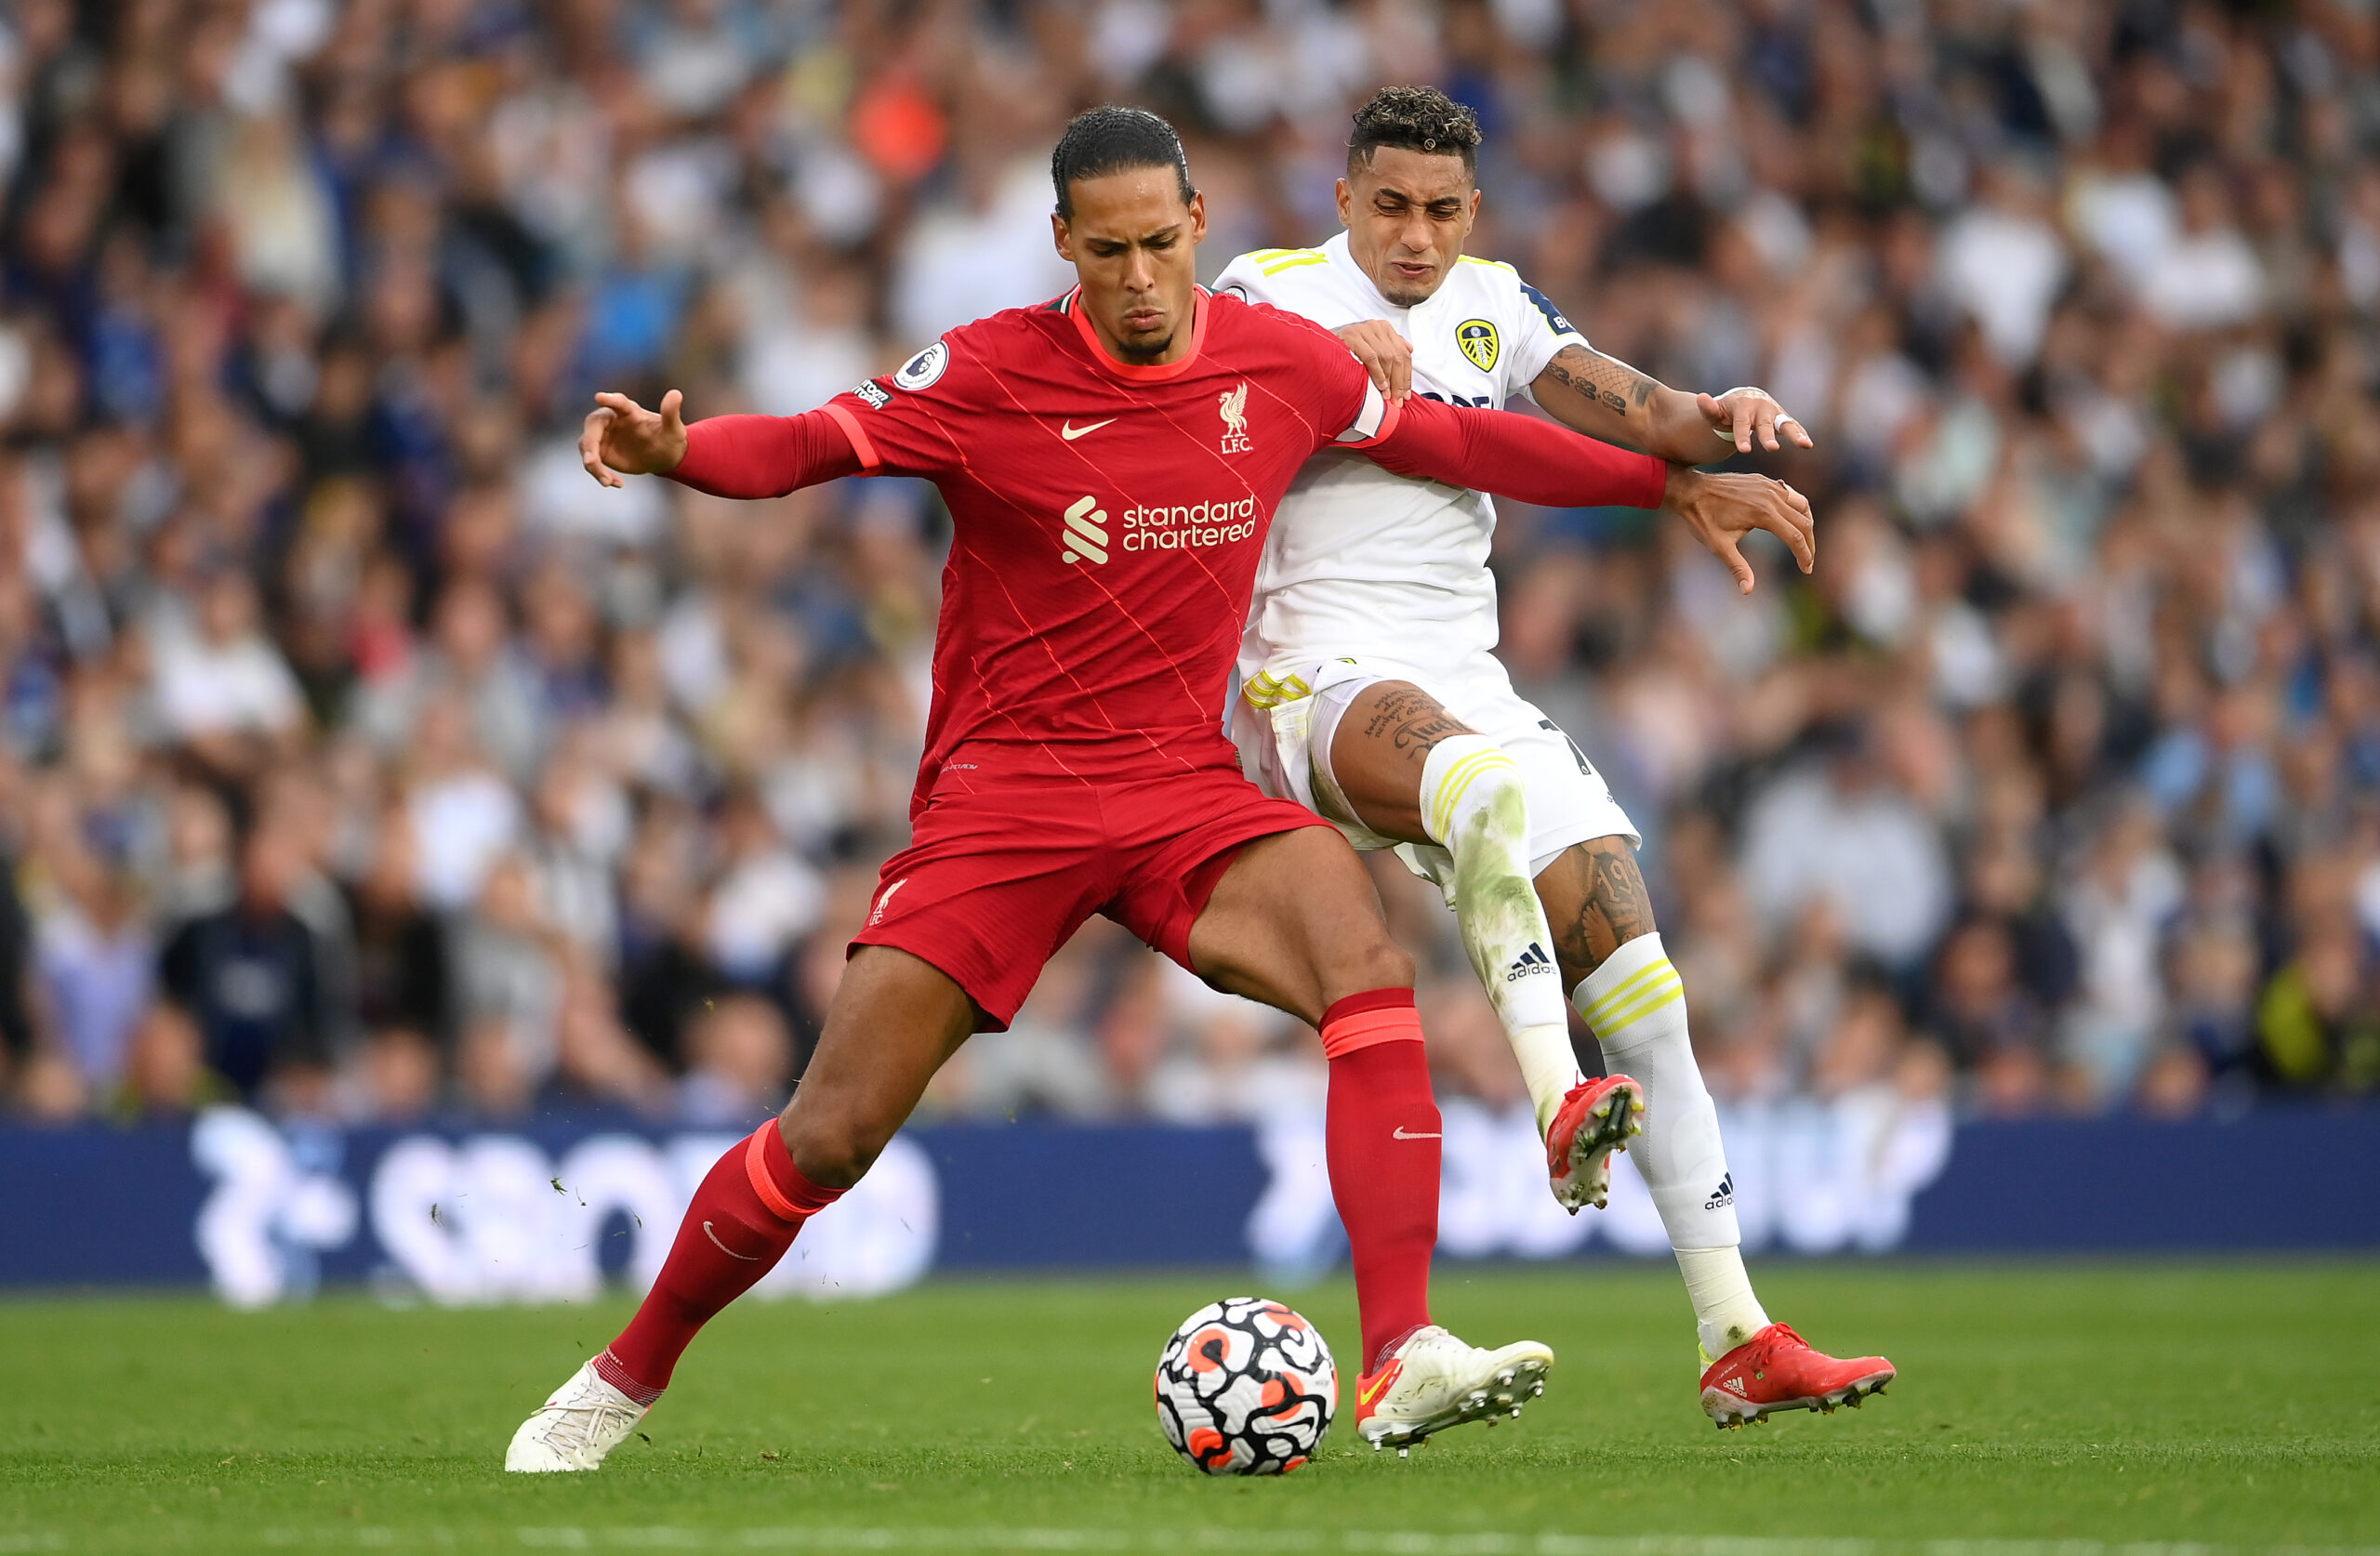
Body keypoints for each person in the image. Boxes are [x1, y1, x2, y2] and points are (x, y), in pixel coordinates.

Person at [504, 105, 1782, 1471]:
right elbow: (814, 443)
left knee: (1359, 956)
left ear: (1198, 228)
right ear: (1062, 242)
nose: (1139, 278)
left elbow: (1460, 448)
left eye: (1160, 244)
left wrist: (1666, 485)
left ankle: (1402, 1350)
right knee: (829, 1135)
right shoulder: (988, 370)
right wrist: (680, 453)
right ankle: (621, 1376)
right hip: (1007, 803)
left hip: (1183, 788)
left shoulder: (1279, 363)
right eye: (1107, 251)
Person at [1214, 86, 1893, 1430]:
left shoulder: (1497, 306)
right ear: (1344, 200)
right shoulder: (1264, 290)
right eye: (1391, 206)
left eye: (1442, 210)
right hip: (1317, 676)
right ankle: (1553, 1095)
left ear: (1475, 211)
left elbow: (1645, 412)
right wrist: (1320, 354)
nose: (1416, 235)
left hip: (1469, 680)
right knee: (1470, 786)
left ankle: (1736, 1334)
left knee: (1643, 975)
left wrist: (1724, 417)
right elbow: (1221, 373)